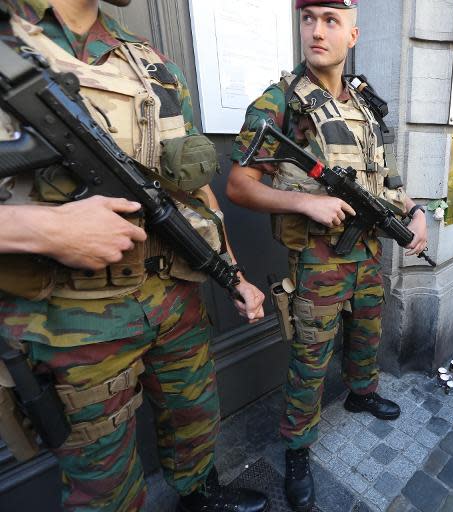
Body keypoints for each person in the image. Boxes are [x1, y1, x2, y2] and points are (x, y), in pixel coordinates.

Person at [0, 1, 269, 511]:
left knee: (194, 416)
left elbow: (195, 193)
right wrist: (43, 227)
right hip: (69, 319)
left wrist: (233, 274)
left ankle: (198, 493)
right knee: (103, 485)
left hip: (175, 296)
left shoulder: (152, 64)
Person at [226, 1, 428, 510]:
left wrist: (416, 212)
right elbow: (239, 186)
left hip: (365, 251)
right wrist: (304, 201)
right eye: (308, 17)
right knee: (311, 357)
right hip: (316, 260)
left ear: (352, 34)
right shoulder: (280, 103)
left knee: (367, 332)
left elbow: (384, 179)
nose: (317, 31)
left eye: (330, 20)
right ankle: (297, 446)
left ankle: (361, 392)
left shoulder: (363, 104)